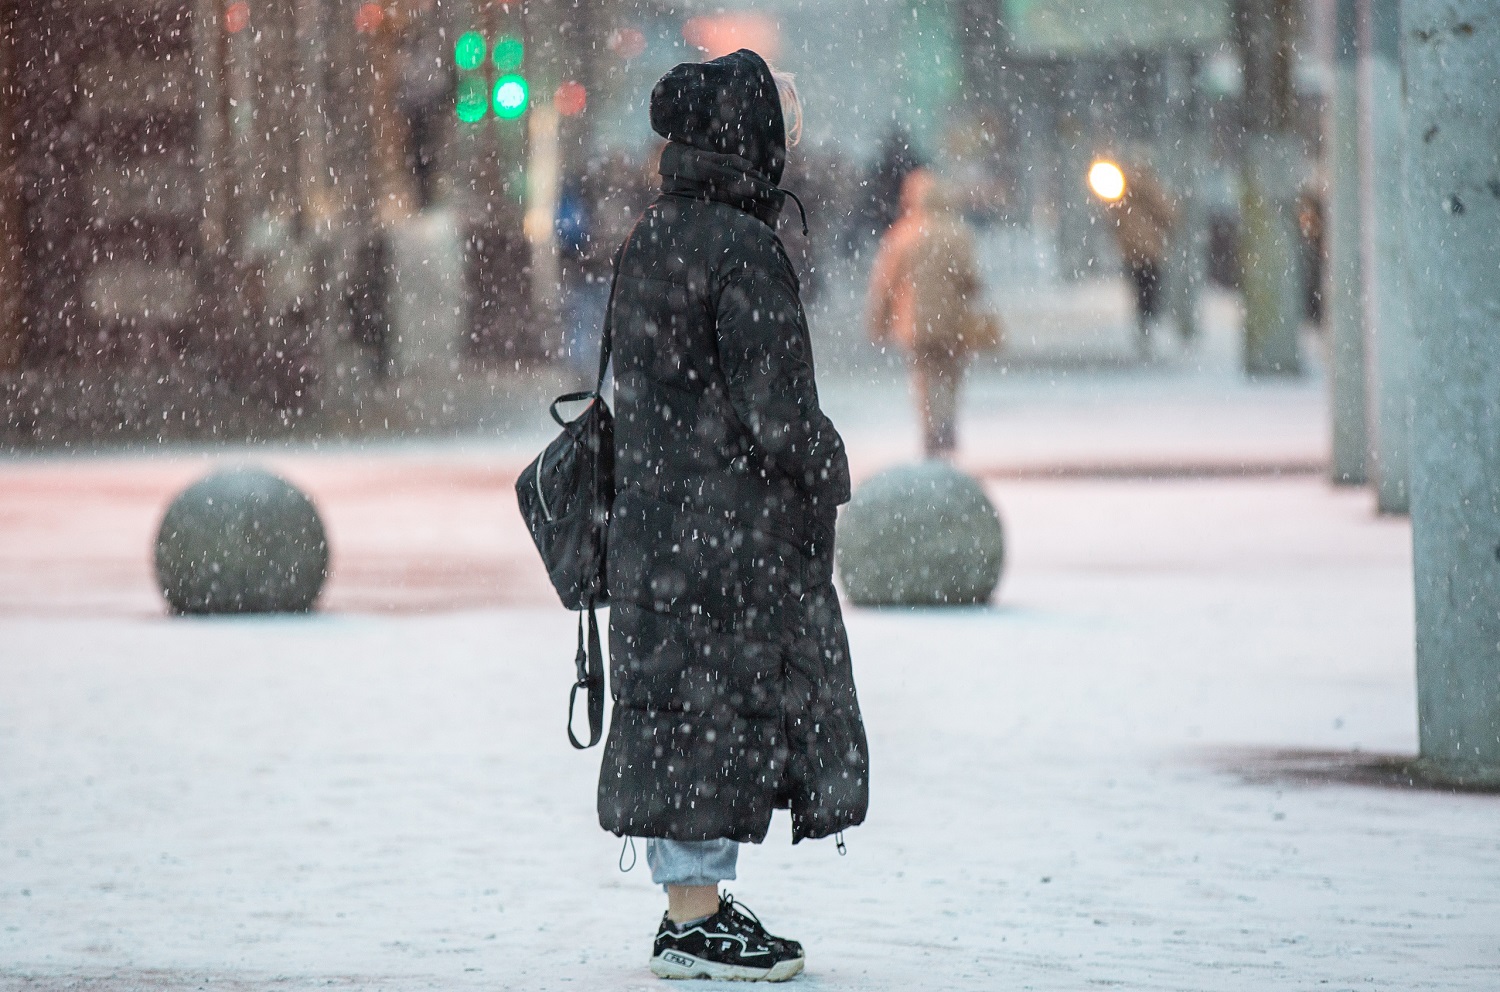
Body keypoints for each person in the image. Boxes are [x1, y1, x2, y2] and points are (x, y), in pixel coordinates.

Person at [601, 49, 869, 982]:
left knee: (683, 710)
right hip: (720, 530)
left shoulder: (655, 232)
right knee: (709, 711)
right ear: (744, 141)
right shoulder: (740, 246)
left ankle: (697, 903)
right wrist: (827, 463)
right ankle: (691, 924)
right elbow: (777, 408)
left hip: (662, 522)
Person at [865, 169, 997, 459]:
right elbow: (971, 279)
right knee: (951, 374)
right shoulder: (958, 233)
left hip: (915, 324)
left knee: (923, 376)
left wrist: (879, 321)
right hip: (953, 322)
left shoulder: (903, 235)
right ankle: (946, 419)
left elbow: (884, 284)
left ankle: (930, 427)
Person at [1103, 159, 1178, 347]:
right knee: (1150, 287)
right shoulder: (1153, 190)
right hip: (1151, 250)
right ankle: (1149, 320)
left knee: (1138, 287)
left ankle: (1143, 321)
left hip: (1131, 251)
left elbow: (1114, 219)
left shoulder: (1121, 191)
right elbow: (1169, 215)